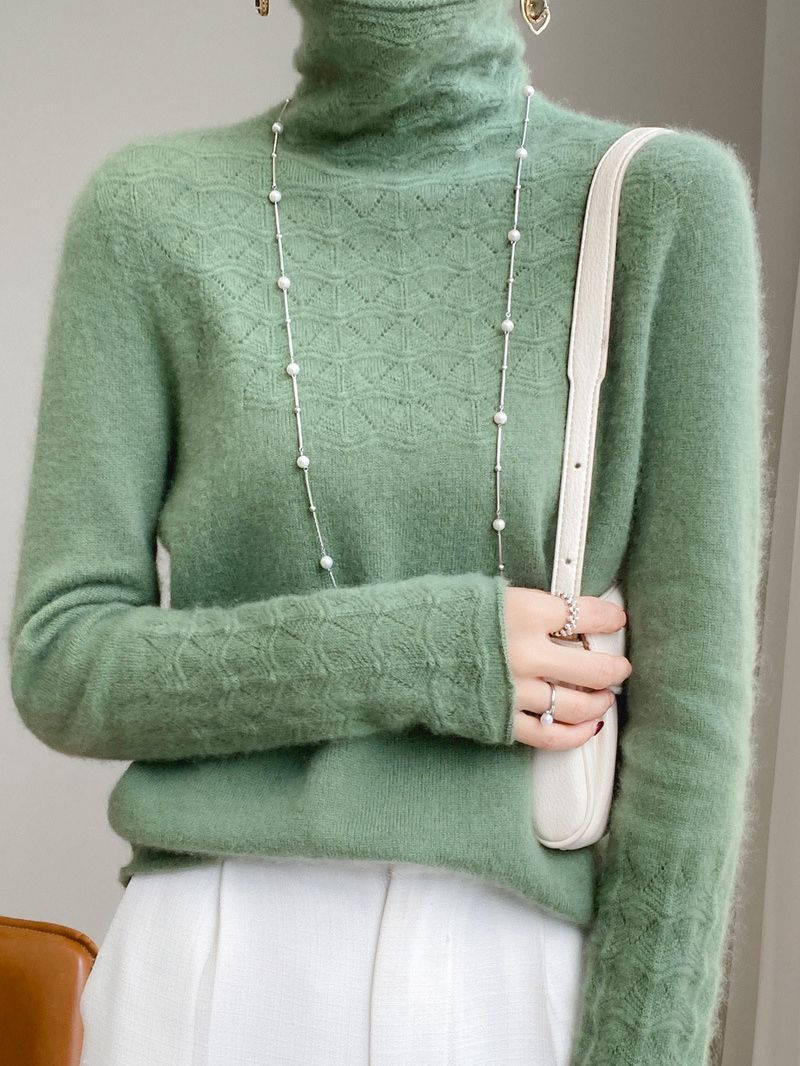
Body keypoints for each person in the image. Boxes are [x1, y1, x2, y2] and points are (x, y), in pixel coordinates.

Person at [7, 0, 768, 1061]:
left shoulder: (660, 201)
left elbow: (692, 730)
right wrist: (430, 651)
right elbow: (60, 658)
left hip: (517, 987)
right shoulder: (146, 216)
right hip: (208, 968)